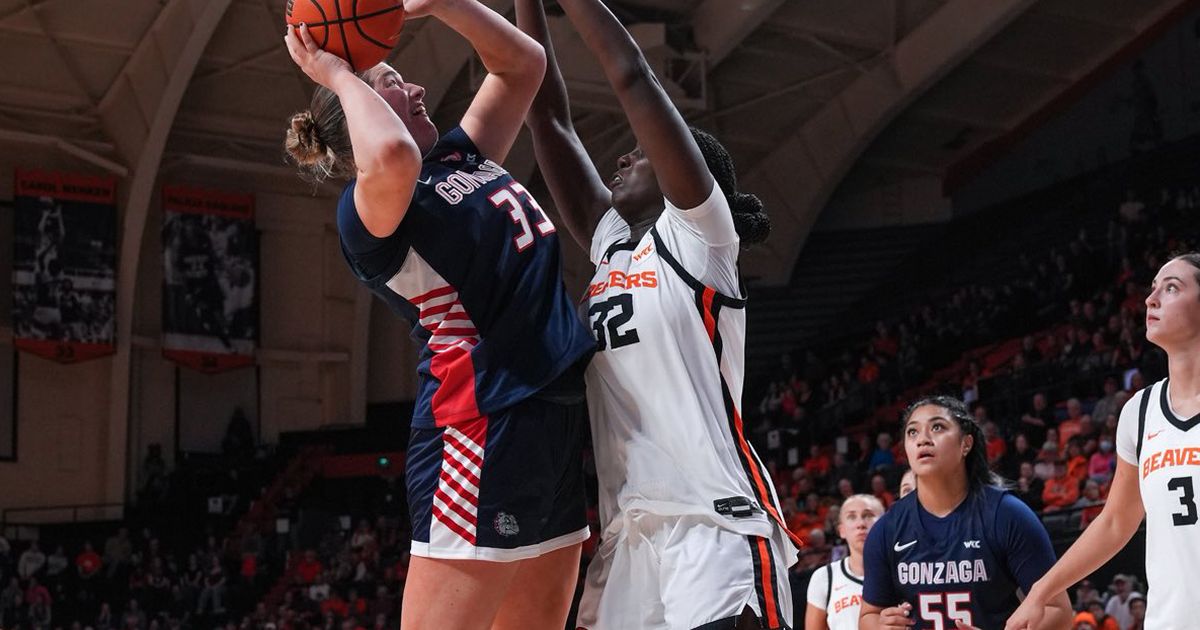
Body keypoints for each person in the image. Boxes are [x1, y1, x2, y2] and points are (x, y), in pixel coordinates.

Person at [282, 1, 596, 628]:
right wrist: (337, 73)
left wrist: (446, 3)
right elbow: (392, 155)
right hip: (479, 426)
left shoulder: (459, 157)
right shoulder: (368, 213)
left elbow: (523, 67)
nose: (418, 89)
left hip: (551, 415)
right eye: (394, 85)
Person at [514, 1, 795, 628]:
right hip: (629, 539)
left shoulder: (702, 240)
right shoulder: (612, 247)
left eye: (639, 153)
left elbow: (633, 76)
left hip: (713, 525)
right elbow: (547, 117)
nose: (621, 159)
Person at [1006, 253, 1200, 630]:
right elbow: (1114, 522)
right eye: (1153, 289)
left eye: (1172, 288)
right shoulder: (1139, 412)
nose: (1151, 299)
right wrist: (1040, 592)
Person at [859, 396, 1072, 630]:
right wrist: (881, 626)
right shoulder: (887, 528)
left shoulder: (1007, 514)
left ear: (966, 444)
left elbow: (1057, 610)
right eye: (912, 432)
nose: (923, 439)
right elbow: (869, 616)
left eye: (937, 427)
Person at [805, 495, 884, 630]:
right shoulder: (824, 577)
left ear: (885, 524)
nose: (861, 524)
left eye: (868, 515)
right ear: (841, 530)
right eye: (852, 517)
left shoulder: (902, 572)